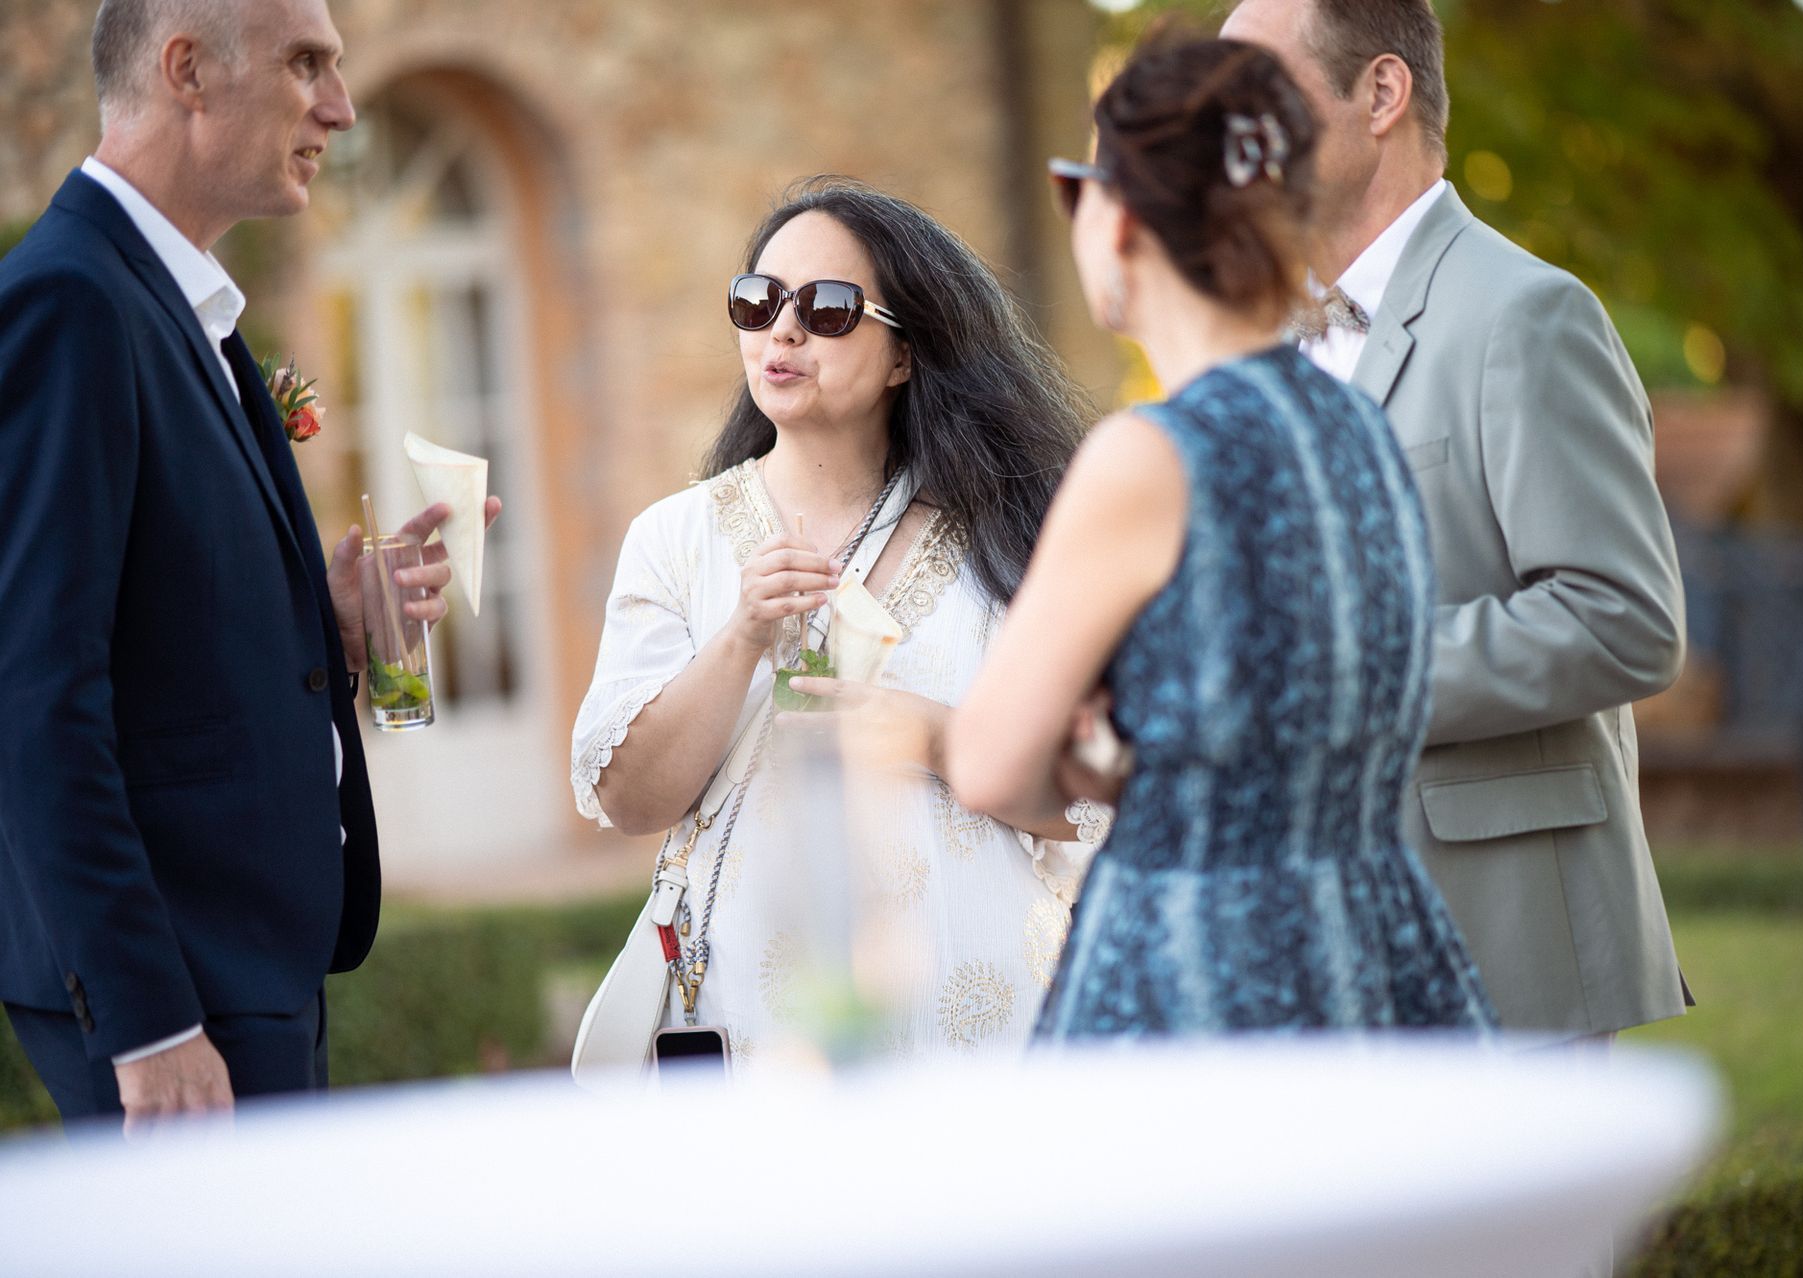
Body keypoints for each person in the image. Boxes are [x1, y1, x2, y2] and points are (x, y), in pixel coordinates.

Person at [0, 0, 499, 1133]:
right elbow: (35, 693)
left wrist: (321, 621)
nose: (343, 105)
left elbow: (150, 627)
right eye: (307, 64)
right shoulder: (72, 304)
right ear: (187, 71)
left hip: (245, 964)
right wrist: (148, 1023)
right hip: (178, 983)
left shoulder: (193, 313)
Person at [949, 36, 1494, 1038]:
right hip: (1378, 947)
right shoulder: (1359, 425)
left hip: (1204, 961)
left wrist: (1075, 758)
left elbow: (987, 765)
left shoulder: (1150, 457)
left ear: (1121, 220)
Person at [1222, 0, 1689, 1041]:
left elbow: (1624, 620)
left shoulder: (1526, 314)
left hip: (1504, 941)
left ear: (1380, 94)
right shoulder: (1251, 342)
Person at [570, 178, 1103, 1063]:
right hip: (756, 1039)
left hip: (983, 1032)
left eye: (826, 309)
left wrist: (934, 738)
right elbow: (630, 800)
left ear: (904, 356)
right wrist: (741, 633)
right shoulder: (676, 537)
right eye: (759, 301)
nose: (782, 330)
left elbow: (1094, 797)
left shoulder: (1013, 538)